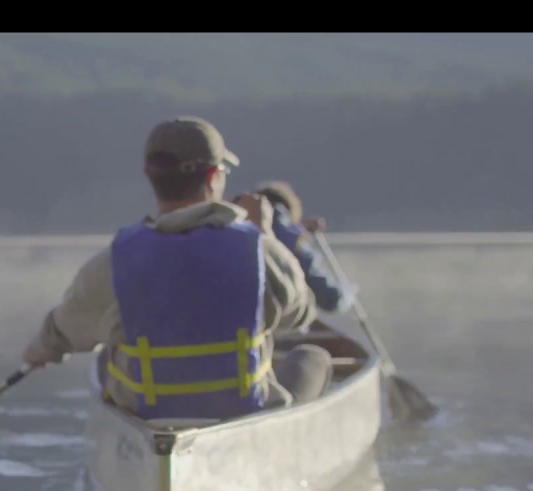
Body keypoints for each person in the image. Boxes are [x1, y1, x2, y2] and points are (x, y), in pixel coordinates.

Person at [20, 116, 334, 420]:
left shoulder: (114, 261)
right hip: (242, 415)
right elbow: (300, 315)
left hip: (150, 419)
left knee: (106, 355)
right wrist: (263, 233)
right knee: (314, 358)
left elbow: (64, 330)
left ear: (149, 176)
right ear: (213, 178)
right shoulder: (261, 252)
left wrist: (40, 353)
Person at [250, 180, 354, 313]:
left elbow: (276, 230)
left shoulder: (242, 231)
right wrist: (348, 294)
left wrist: (301, 228)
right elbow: (329, 298)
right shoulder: (293, 241)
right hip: (279, 321)